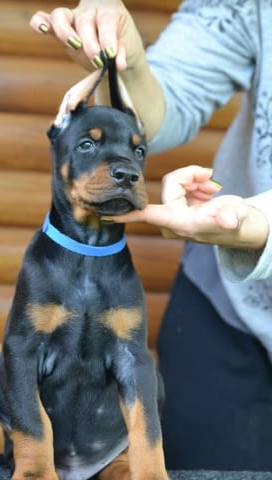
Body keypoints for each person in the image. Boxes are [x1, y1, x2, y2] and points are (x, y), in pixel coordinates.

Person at [30, 1, 272, 471]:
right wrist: (131, 64)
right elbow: (170, 100)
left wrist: (258, 223)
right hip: (228, 305)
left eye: (132, 156)